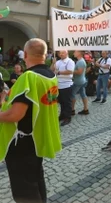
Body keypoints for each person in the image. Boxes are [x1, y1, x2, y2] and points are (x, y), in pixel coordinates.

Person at [0, 38, 61, 203]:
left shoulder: (28, 77)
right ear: (44, 54)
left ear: (25, 54)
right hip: (38, 137)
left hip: (22, 141)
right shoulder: (50, 75)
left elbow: (15, 115)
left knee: (24, 189)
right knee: (35, 179)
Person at [51, 50, 75, 126]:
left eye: (63, 53)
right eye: (60, 53)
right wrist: (53, 63)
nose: (61, 54)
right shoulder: (58, 62)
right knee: (61, 101)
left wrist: (58, 72)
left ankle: (68, 117)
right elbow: (51, 69)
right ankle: (63, 115)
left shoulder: (69, 61)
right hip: (59, 84)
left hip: (66, 84)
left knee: (67, 102)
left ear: (66, 53)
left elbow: (70, 71)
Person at [71, 51, 89, 115]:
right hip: (81, 80)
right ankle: (86, 109)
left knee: (72, 94)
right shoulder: (80, 61)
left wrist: (70, 71)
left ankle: (72, 110)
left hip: (78, 81)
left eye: (75, 52)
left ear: (79, 53)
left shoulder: (81, 61)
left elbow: (79, 72)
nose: (74, 53)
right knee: (83, 94)